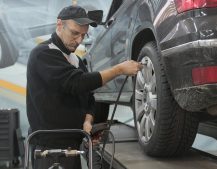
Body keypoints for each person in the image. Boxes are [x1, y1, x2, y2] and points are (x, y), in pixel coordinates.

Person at [26, 5, 142, 169]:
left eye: (83, 35)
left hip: (74, 144)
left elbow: (89, 97)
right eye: (74, 33)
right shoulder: (43, 53)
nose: (79, 40)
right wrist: (119, 70)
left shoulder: (76, 61)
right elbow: (76, 83)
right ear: (60, 24)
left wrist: (88, 121)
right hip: (49, 148)